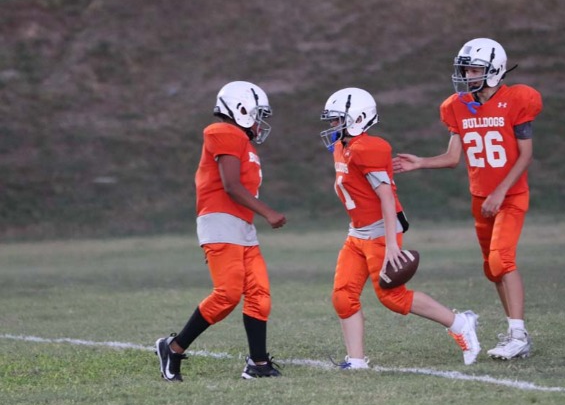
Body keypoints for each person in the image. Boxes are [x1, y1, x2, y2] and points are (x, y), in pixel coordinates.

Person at [393, 38, 543, 360]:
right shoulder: (457, 105)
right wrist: (421, 162)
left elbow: (526, 156)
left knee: (502, 260)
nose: (467, 75)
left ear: (495, 70)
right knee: (492, 269)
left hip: (510, 196)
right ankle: (515, 333)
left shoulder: (517, 99)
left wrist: (500, 190)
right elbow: (452, 158)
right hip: (480, 199)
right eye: (465, 69)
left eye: (474, 70)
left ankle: (518, 334)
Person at [319, 87, 481, 369]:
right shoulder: (341, 147)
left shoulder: (368, 148)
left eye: (337, 119)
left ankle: (459, 323)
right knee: (343, 296)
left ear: (358, 118)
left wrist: (392, 245)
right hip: (357, 231)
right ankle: (356, 361)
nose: (333, 125)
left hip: (381, 231)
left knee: (392, 297)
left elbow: (385, 196)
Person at [155, 81, 287, 381]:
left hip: (241, 225)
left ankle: (258, 363)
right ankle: (173, 348)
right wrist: (268, 212)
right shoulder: (223, 132)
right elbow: (231, 186)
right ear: (240, 109)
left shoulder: (243, 142)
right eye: (256, 114)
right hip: (220, 221)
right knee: (227, 294)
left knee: (259, 293)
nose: (259, 122)